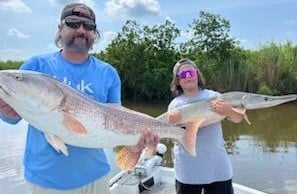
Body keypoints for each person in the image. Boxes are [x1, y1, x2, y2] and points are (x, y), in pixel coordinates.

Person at [0, 3, 159, 194]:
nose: (81, 30)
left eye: (88, 26)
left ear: (94, 33)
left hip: (97, 176)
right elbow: (11, 118)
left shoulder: (108, 72)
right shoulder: (35, 66)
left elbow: (118, 117)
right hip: (46, 180)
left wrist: (137, 142)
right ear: (60, 28)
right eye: (73, 23)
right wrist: (4, 107)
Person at [167, 58, 244, 194]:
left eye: (190, 72)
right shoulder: (175, 104)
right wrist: (173, 123)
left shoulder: (215, 96)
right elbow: (174, 138)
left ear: (197, 74)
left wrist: (228, 111)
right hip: (187, 171)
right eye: (183, 75)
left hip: (218, 169)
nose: (188, 76)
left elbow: (238, 118)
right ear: (178, 80)